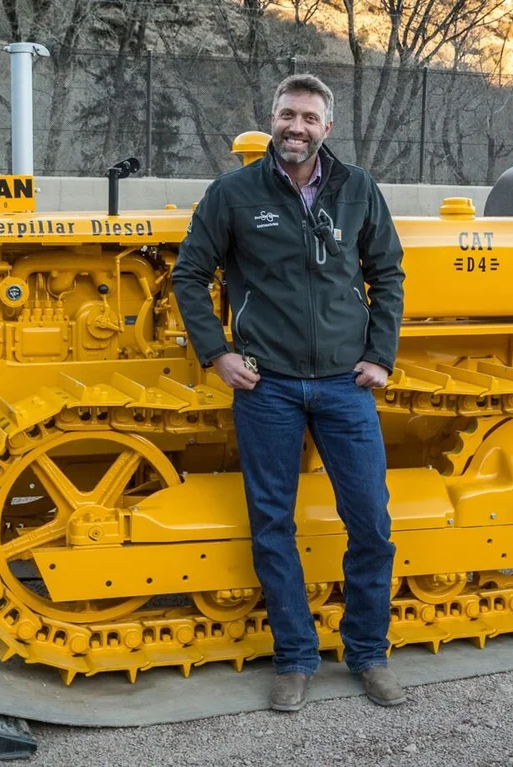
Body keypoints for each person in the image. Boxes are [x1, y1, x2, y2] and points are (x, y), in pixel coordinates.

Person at [172, 74, 405, 712]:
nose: (296, 127)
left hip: (343, 384)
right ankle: (296, 658)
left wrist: (379, 356)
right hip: (266, 385)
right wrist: (216, 353)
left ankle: (368, 653)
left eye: (308, 117)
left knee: (372, 524)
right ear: (272, 120)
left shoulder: (357, 190)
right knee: (272, 525)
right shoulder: (234, 194)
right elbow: (190, 274)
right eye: (286, 115)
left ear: (327, 127)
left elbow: (387, 274)